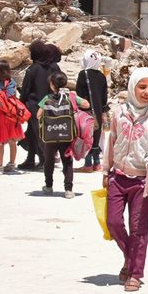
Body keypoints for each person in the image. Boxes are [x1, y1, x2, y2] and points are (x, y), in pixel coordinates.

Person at [104, 67, 148, 292]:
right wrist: (105, 170)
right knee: (113, 222)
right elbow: (111, 142)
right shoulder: (119, 114)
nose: (147, 92)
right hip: (118, 177)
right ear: (132, 87)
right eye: (142, 87)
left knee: (139, 228)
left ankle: (135, 273)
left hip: (142, 181)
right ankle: (130, 257)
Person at [37, 70, 83, 198]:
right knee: (67, 162)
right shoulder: (70, 97)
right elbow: (86, 104)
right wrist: (73, 96)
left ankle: (48, 186)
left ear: (52, 85)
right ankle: (68, 189)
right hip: (66, 135)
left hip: (50, 136)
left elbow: (38, 115)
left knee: (49, 161)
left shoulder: (47, 98)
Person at [0, 62, 26, 173]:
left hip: (0, 115)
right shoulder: (12, 83)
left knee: (0, 141)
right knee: (12, 140)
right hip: (12, 115)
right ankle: (12, 164)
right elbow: (13, 99)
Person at [19, 41, 53, 171]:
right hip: (47, 104)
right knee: (34, 133)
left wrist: (20, 104)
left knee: (37, 134)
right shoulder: (50, 68)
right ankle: (31, 159)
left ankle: (44, 160)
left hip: (33, 105)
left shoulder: (32, 69)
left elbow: (26, 89)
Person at [76, 51, 110, 170]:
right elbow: (105, 95)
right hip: (99, 110)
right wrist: (103, 110)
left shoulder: (83, 74)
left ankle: (88, 164)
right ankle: (97, 164)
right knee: (96, 135)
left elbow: (79, 94)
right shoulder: (101, 76)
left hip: (87, 111)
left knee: (86, 135)